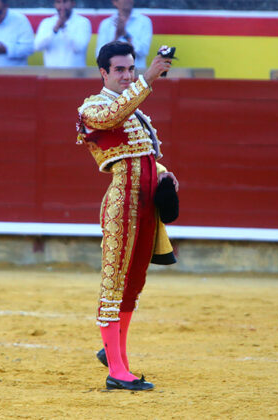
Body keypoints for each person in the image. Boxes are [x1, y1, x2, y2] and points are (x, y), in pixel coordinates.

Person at [76, 41, 178, 391]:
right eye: (119, 69)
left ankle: (113, 350)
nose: (126, 75)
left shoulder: (136, 111)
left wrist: (164, 173)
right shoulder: (93, 107)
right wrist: (147, 79)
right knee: (114, 283)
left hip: (147, 203)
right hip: (122, 205)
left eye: (131, 69)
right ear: (103, 72)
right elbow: (111, 117)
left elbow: (144, 155)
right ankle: (117, 371)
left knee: (133, 284)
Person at [34, 0, 92, 68]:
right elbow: (37, 47)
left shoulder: (83, 22)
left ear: (73, 3)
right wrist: (54, 31)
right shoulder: (47, 22)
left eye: (65, 2)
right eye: (58, 2)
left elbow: (79, 47)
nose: (62, 6)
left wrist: (64, 29)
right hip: (51, 74)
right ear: (55, 5)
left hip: (76, 74)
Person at [95, 0, 152, 68]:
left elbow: (143, 51)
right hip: (113, 74)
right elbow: (100, 55)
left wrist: (126, 35)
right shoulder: (106, 24)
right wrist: (116, 36)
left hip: (136, 71)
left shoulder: (144, 21)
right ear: (115, 2)